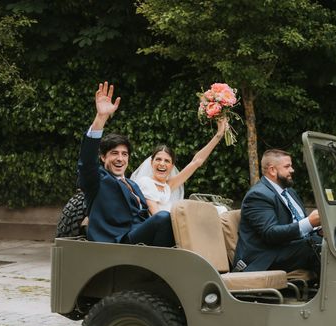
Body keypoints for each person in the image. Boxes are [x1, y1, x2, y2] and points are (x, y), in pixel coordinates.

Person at [77, 81, 175, 247]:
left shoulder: (133, 185)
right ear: (102, 157)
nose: (120, 159)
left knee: (176, 222)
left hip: (139, 238)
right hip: (118, 241)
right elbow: (87, 162)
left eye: (124, 154)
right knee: (163, 217)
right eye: (114, 153)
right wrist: (101, 118)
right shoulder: (97, 180)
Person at [233, 149, 322, 273]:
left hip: (288, 249)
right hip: (264, 258)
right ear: (272, 170)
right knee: (318, 246)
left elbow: (299, 225)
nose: (292, 170)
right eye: (287, 166)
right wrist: (310, 223)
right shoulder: (258, 195)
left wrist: (317, 230)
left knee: (330, 242)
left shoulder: (290, 192)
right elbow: (270, 233)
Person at [131, 117, 227, 215]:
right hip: (161, 226)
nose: (162, 163)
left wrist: (218, 135)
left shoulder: (168, 186)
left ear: (172, 166)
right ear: (151, 163)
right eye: (158, 159)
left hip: (173, 222)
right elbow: (156, 216)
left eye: (167, 161)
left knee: (218, 210)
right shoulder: (145, 182)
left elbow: (197, 161)